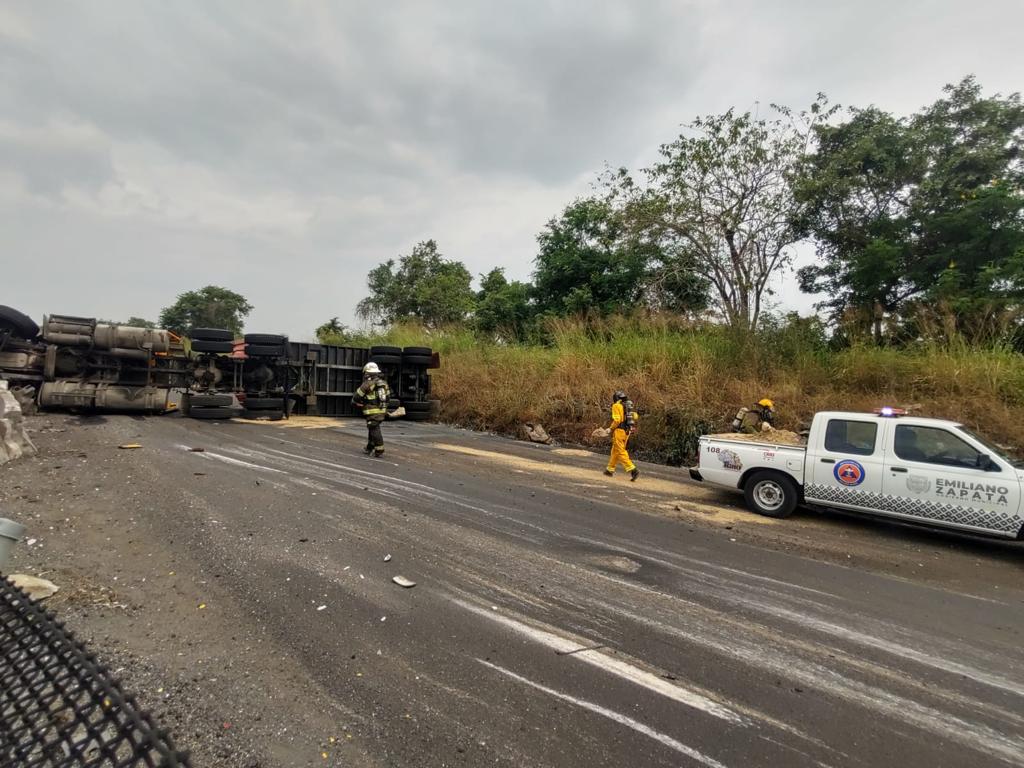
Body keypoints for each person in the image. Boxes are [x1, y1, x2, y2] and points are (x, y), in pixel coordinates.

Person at [353, 362, 391, 457]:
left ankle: (379, 450)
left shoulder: (368, 384)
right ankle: (369, 447)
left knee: (374, 429)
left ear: (367, 373)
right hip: (382, 411)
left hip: (372, 411)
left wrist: (358, 402)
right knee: (372, 427)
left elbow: (357, 397)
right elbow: (388, 397)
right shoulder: (383, 383)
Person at [604, 390, 639, 481]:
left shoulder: (616, 406)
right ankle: (609, 469)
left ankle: (633, 469)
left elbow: (617, 420)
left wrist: (610, 428)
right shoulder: (627, 406)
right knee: (615, 450)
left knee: (620, 451)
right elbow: (635, 416)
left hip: (619, 431)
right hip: (627, 432)